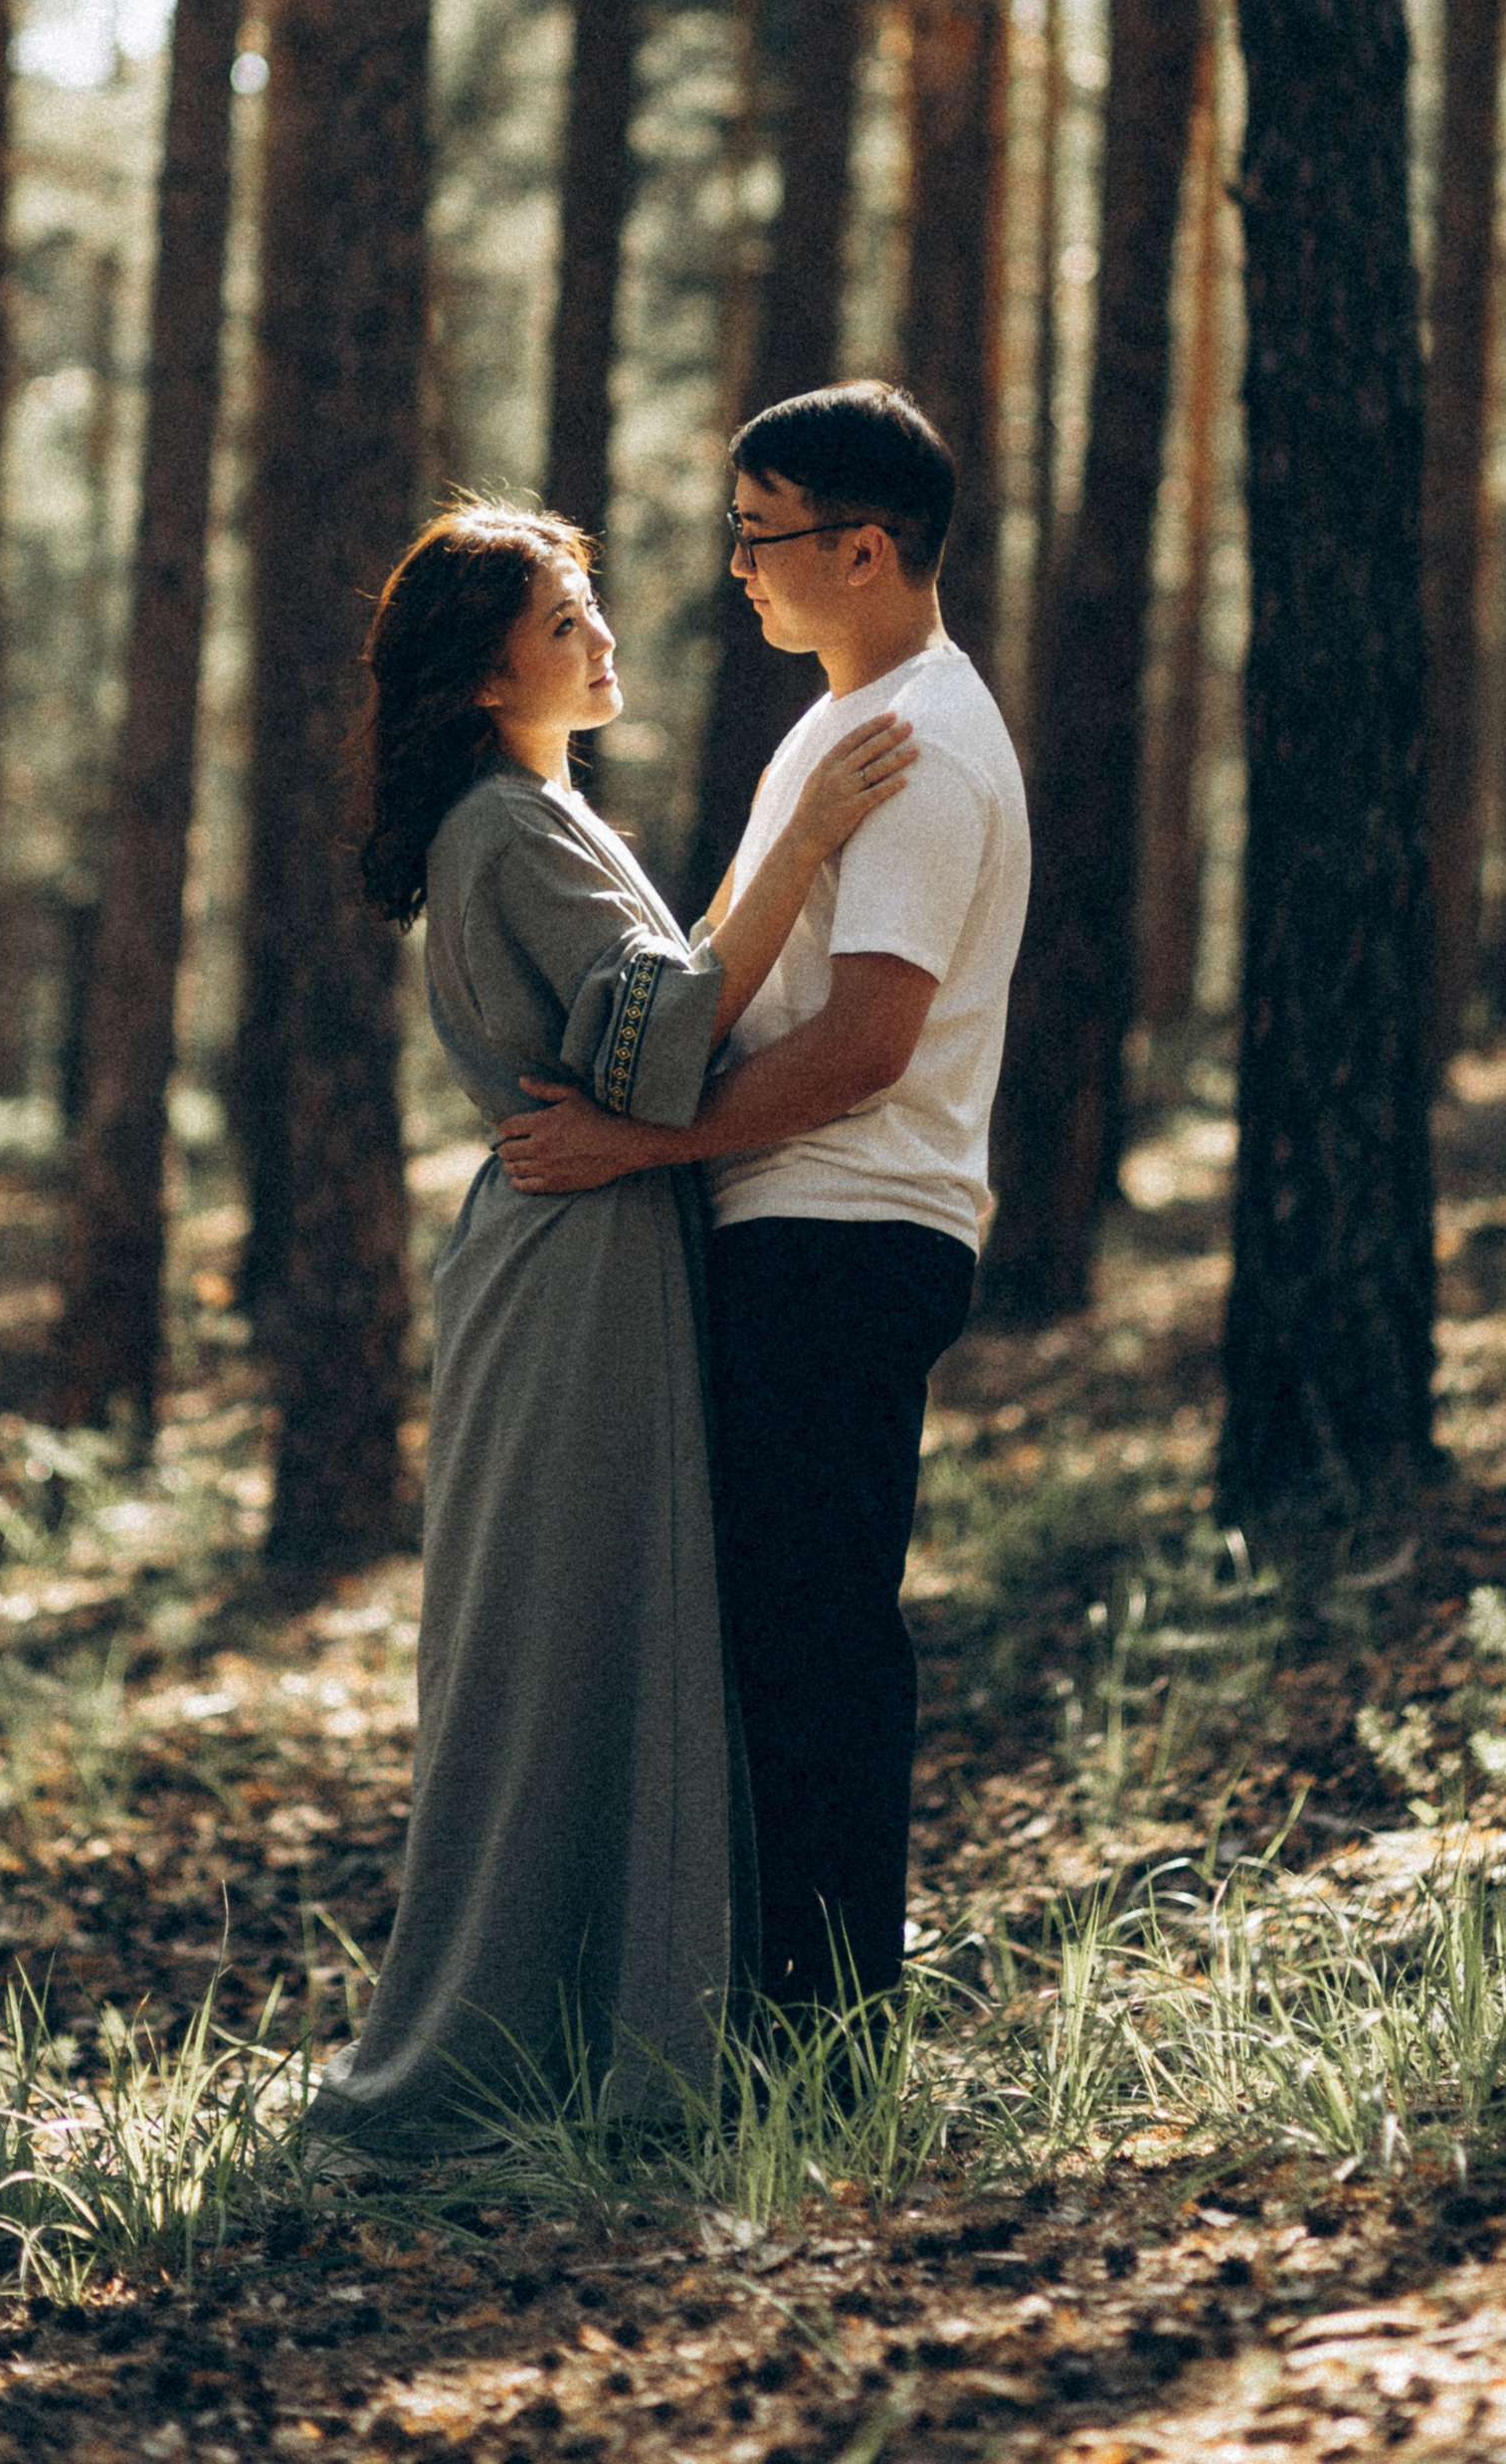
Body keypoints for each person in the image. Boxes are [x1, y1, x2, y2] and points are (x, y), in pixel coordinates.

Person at [307, 501, 911, 2151]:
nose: (603, 637)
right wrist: (797, 856)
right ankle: (514, 2053)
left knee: (607, 1625)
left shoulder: (540, 813)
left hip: (595, 1238)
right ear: (486, 663)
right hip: (572, 1257)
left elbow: (643, 1026)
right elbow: (649, 1055)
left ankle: (606, 2031)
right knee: (562, 1634)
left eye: (590, 608)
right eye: (567, 617)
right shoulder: (505, 825)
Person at [499, 383, 1030, 2012]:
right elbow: (720, 966)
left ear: (862, 550)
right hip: (795, 1225)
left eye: (761, 533)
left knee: (812, 1648)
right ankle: (773, 2019)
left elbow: (867, 1044)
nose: (736, 566)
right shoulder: (838, 720)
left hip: (847, 1232)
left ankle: (828, 2041)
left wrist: (637, 1146)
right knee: (770, 1641)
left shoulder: (919, 749)